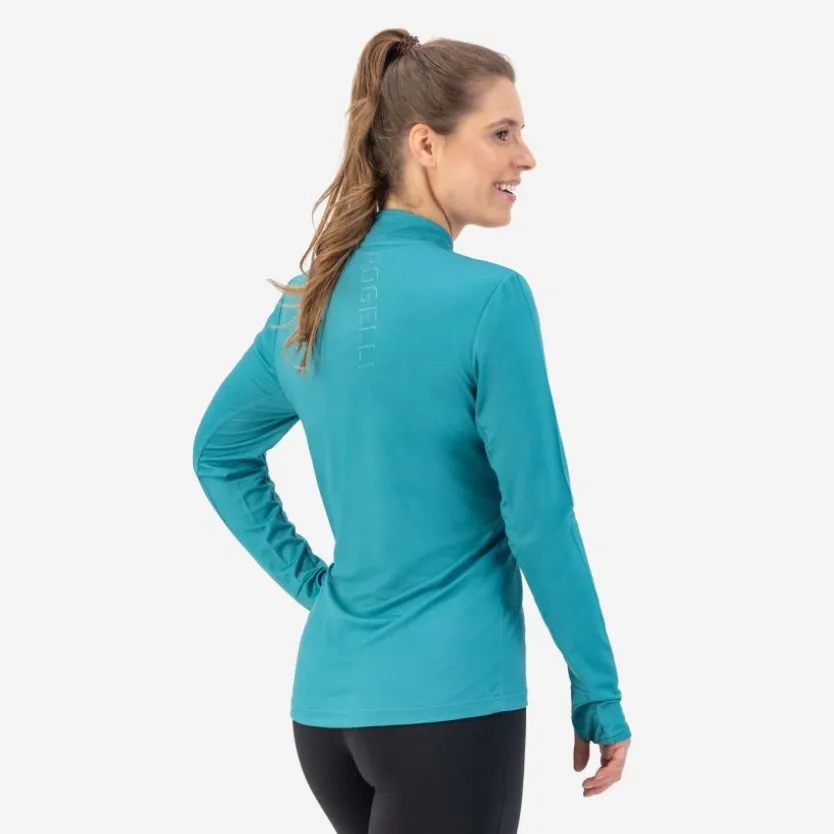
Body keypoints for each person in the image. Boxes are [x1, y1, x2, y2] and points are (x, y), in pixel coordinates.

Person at [192, 27, 632, 834]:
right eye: (502, 133)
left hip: (327, 712)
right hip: (448, 710)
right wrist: (597, 688)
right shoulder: (491, 301)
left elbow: (218, 453)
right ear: (426, 144)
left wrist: (318, 590)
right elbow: (540, 518)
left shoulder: (305, 302)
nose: (526, 157)